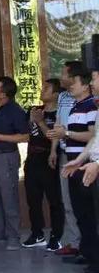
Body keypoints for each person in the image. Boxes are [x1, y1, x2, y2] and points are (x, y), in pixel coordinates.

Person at [51, 70, 99, 273]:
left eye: (74, 82)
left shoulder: (91, 106)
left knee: (90, 213)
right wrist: (76, 160)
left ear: (86, 85)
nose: (70, 85)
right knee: (81, 212)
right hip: (78, 163)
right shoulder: (78, 106)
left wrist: (67, 133)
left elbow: (90, 136)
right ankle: (88, 254)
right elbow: (95, 139)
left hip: (89, 166)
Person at [0, 76, 29, 251]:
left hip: (6, 157)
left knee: (9, 196)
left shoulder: (15, 110)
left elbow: (25, 136)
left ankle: (13, 236)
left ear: (3, 94)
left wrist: (0, 137)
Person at [21, 78, 65, 251]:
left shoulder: (59, 114)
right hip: (32, 159)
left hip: (50, 160)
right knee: (33, 200)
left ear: (56, 94)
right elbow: (25, 133)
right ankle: (37, 233)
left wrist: (40, 122)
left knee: (54, 200)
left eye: (47, 88)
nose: (42, 90)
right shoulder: (34, 110)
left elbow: (53, 136)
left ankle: (56, 236)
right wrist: (32, 120)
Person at [47, 60, 84, 256]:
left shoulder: (87, 98)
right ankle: (75, 242)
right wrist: (54, 149)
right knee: (67, 201)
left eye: (63, 73)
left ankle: (87, 244)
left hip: (81, 155)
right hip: (63, 153)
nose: (60, 77)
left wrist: (66, 134)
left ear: (73, 77)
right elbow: (58, 125)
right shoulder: (62, 96)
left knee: (83, 202)